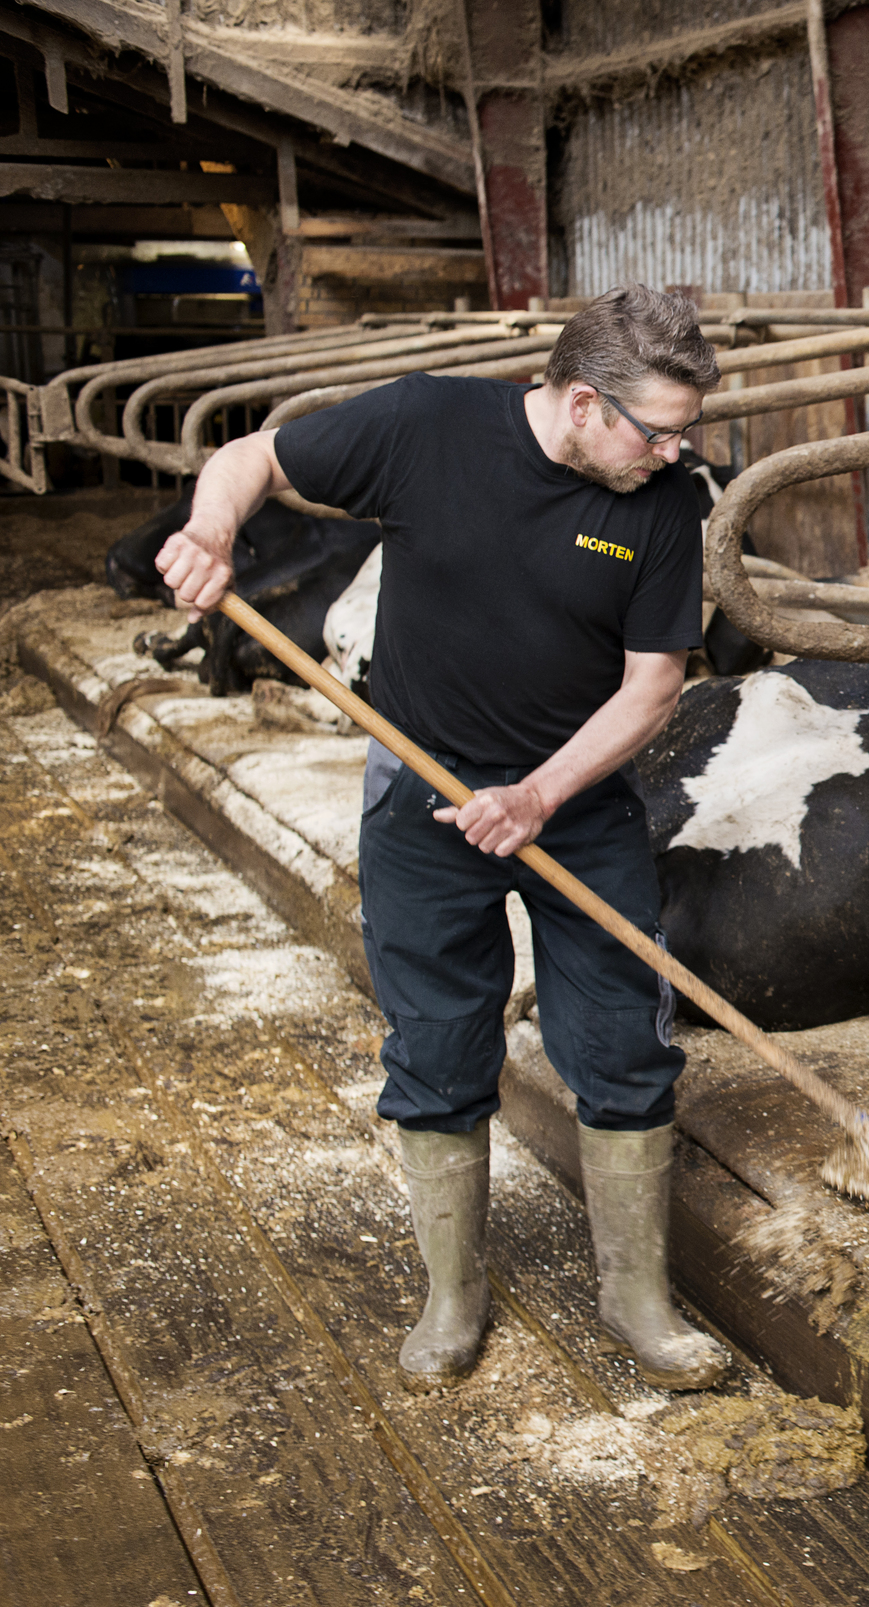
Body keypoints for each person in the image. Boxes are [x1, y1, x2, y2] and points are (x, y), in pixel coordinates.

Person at [156, 285, 732, 1393]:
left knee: (622, 1042)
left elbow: (653, 689)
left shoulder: (665, 500)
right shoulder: (425, 427)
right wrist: (209, 527)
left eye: (684, 428)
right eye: (656, 428)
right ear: (577, 403)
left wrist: (538, 795)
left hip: (578, 801)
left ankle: (637, 1300)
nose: (674, 450)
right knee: (436, 1042)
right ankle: (455, 1295)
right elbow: (251, 458)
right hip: (419, 802)